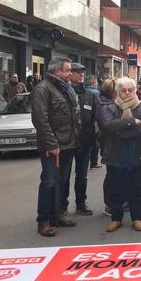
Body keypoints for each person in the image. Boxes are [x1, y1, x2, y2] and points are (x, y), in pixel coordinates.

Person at [31, 57, 80, 237]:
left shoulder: (66, 88)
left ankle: (58, 214)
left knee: (63, 181)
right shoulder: (42, 89)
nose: (70, 74)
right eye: (68, 71)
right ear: (57, 71)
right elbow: (40, 120)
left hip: (69, 143)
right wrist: (52, 144)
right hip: (53, 146)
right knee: (49, 182)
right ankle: (43, 220)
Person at [100, 77, 141, 232]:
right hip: (115, 154)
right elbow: (109, 126)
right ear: (118, 92)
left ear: (135, 90)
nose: (128, 93)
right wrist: (132, 122)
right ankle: (116, 219)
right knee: (116, 189)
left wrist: (123, 129)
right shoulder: (111, 107)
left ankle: (136, 218)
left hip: (137, 153)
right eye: (124, 90)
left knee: (135, 189)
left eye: (131, 90)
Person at [61, 63, 98, 216]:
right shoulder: (62, 92)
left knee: (82, 176)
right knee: (64, 176)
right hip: (67, 141)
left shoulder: (90, 95)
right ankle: (62, 206)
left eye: (82, 72)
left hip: (85, 141)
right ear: (70, 74)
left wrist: (95, 138)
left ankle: (81, 203)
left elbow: (95, 117)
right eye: (76, 72)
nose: (80, 74)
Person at [95, 78, 116, 216]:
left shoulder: (108, 103)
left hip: (111, 143)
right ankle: (109, 204)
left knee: (117, 173)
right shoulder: (104, 105)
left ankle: (117, 200)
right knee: (112, 174)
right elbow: (107, 125)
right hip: (109, 143)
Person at [85, 75, 101, 169]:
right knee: (95, 142)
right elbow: (98, 108)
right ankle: (93, 162)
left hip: (85, 121)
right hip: (94, 121)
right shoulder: (96, 93)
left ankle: (85, 163)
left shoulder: (81, 91)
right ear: (93, 83)